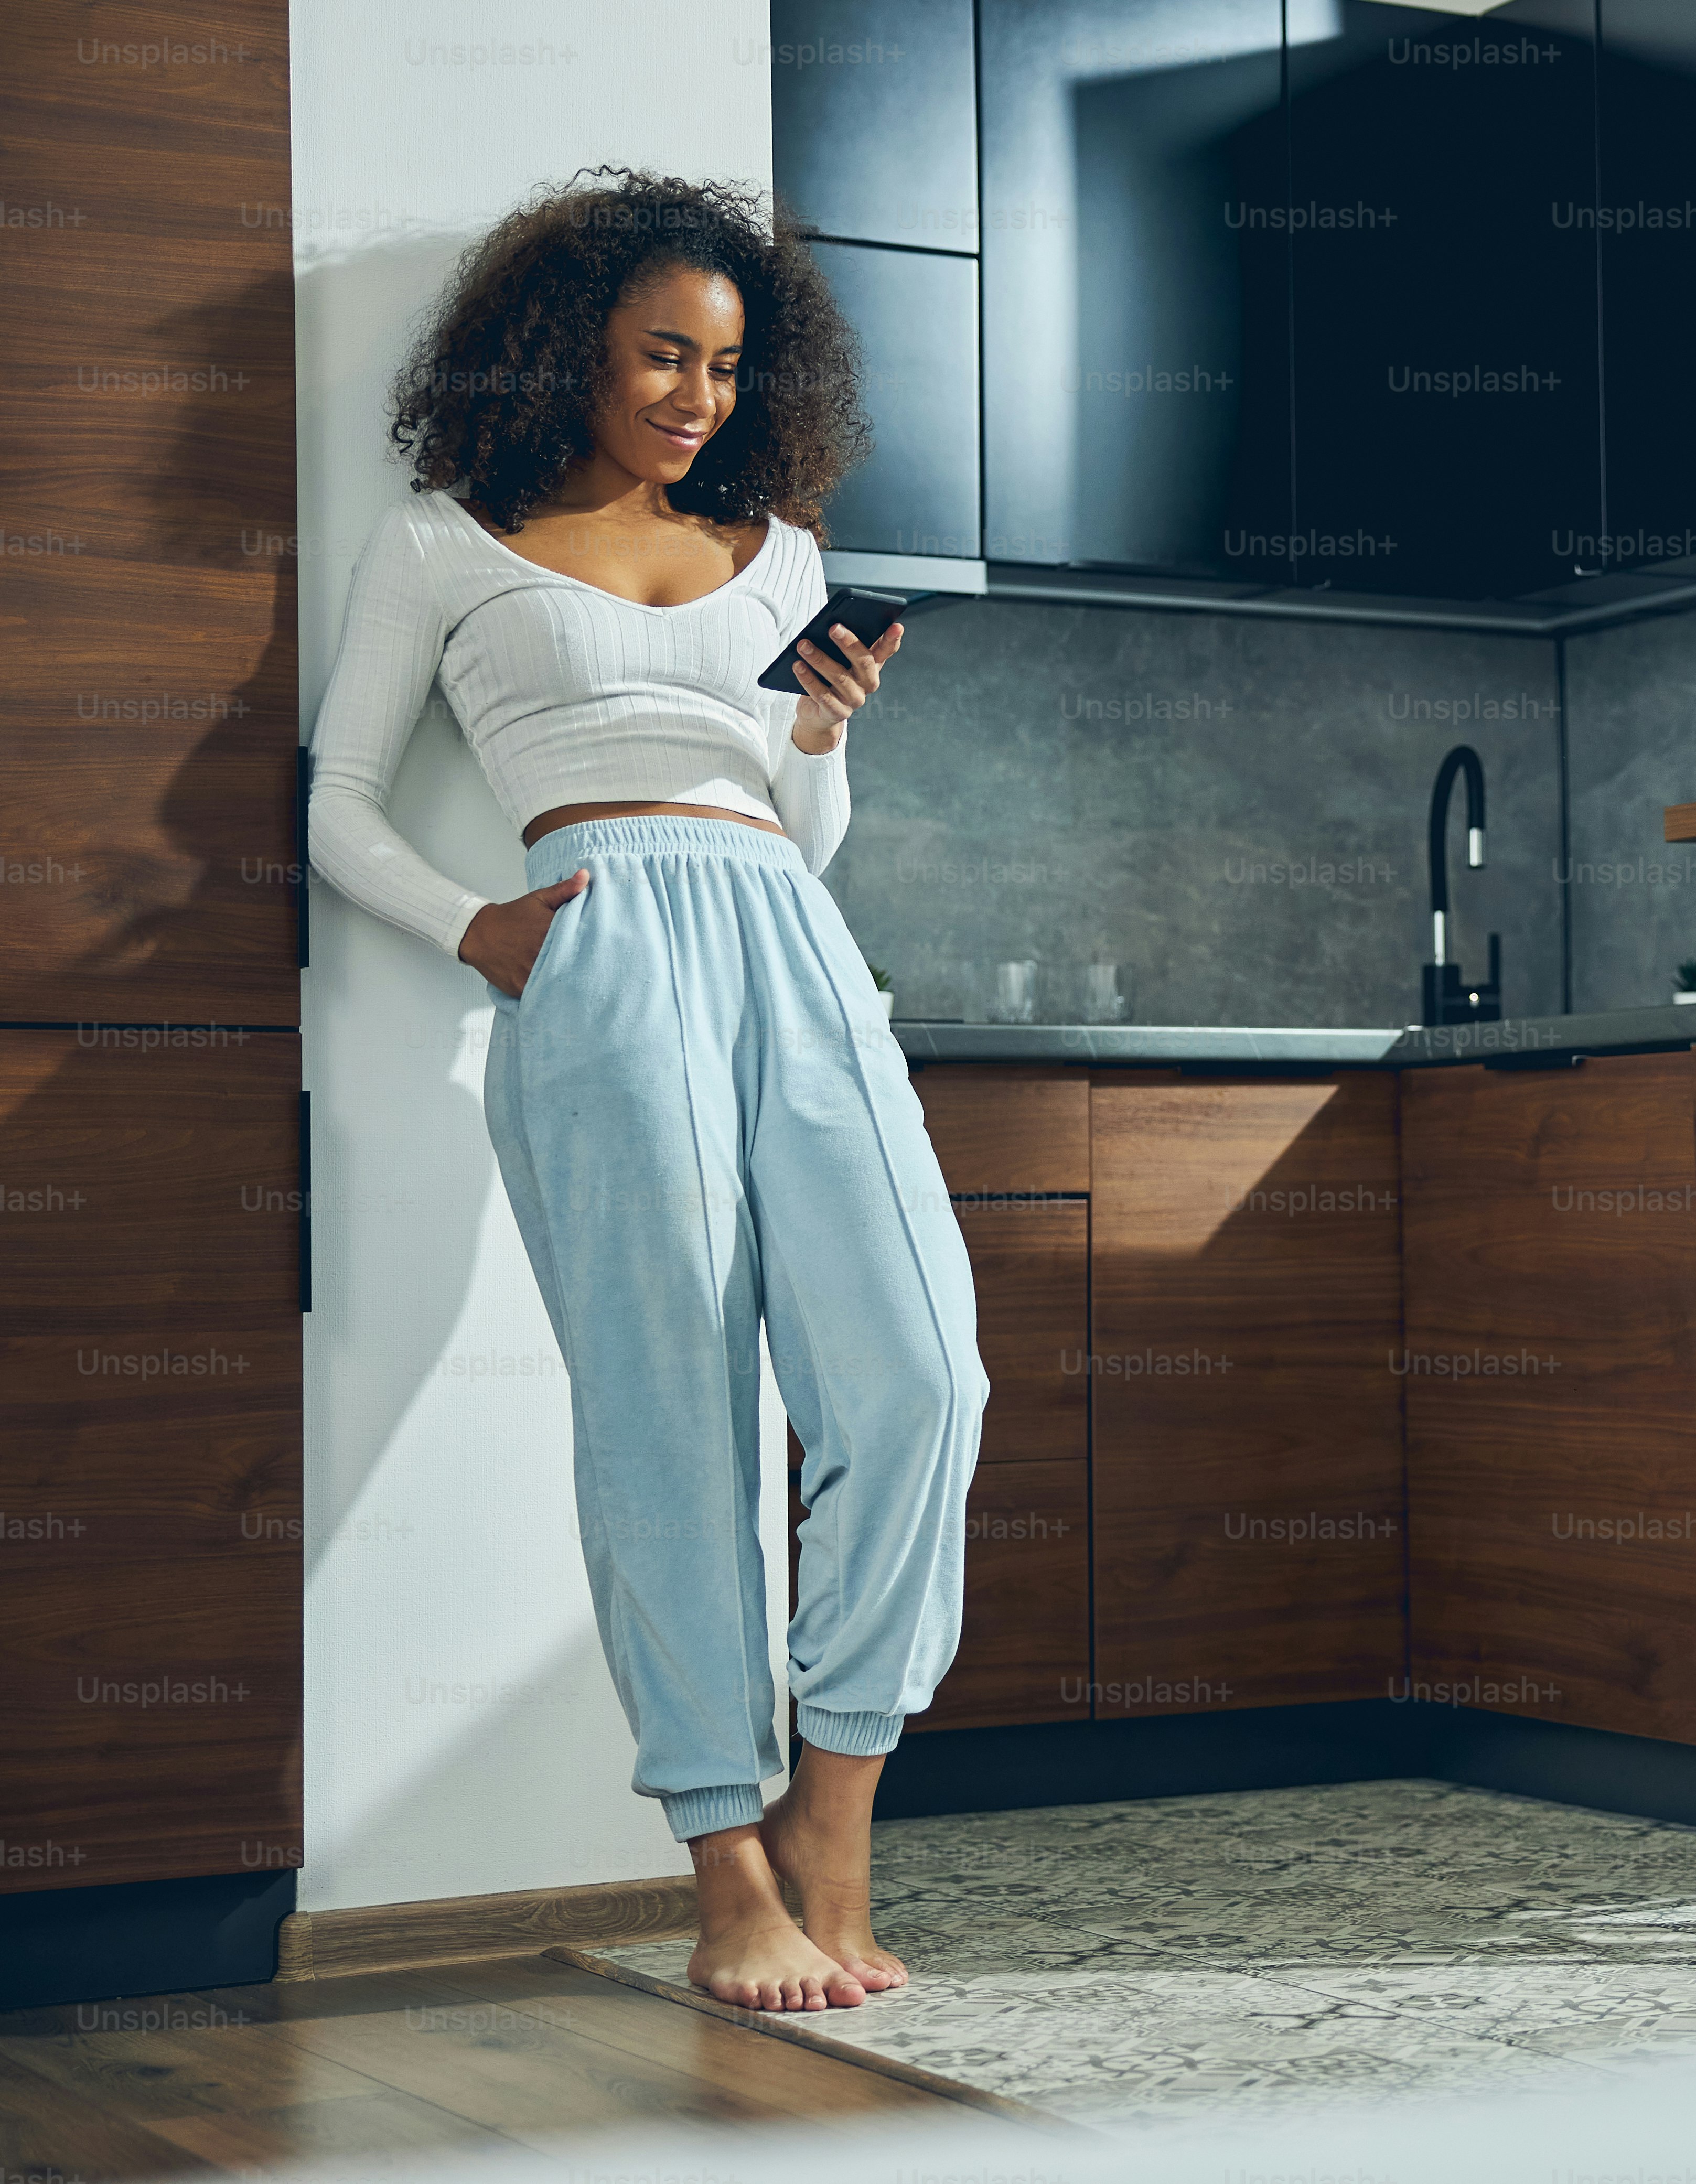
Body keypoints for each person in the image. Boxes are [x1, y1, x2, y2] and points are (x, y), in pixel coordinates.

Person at [306, 167, 986, 2013]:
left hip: (790, 945)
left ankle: (833, 1817)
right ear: (571, 351)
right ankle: (726, 1870)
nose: (695, 394)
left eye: (723, 364)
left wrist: (824, 728)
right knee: (672, 1413)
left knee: (919, 1373)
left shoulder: (779, 547)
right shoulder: (449, 542)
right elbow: (335, 803)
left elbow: (800, 831)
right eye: (660, 356)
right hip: (595, 959)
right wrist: (480, 933)